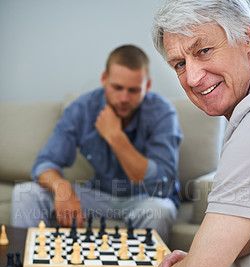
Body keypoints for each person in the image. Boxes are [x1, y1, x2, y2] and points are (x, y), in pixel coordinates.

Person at [52, 1, 250, 267]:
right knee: (235, 263)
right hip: (104, 200)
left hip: (142, 202)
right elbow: (48, 162)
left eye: (203, 50)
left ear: (248, 37)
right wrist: (200, 260)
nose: (193, 75)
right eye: (179, 63)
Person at [11, 44, 182, 243]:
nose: (124, 98)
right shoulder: (83, 109)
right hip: (99, 195)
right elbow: (45, 163)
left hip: (146, 199)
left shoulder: (163, 113)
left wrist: (115, 137)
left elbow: (162, 183)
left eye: (134, 90)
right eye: (117, 88)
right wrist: (62, 188)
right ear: (104, 79)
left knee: (159, 211)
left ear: (148, 86)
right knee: (25, 194)